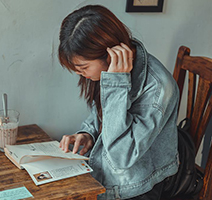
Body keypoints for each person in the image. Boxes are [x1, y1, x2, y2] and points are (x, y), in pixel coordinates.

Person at [58, 5, 179, 200]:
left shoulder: (158, 89)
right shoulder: (111, 69)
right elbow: (103, 112)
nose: (80, 74)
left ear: (109, 56)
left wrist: (116, 84)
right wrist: (88, 133)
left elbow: (121, 157)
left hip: (136, 188)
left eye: (83, 67)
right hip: (103, 172)